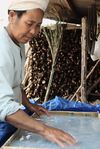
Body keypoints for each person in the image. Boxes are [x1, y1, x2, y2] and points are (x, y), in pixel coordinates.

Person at [0, 0, 76, 147]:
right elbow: (2, 104)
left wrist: (29, 104)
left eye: (38, 25)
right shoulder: (2, 49)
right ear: (12, 16)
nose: (34, 31)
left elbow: (14, 83)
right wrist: (45, 130)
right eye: (29, 24)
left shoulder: (18, 42)